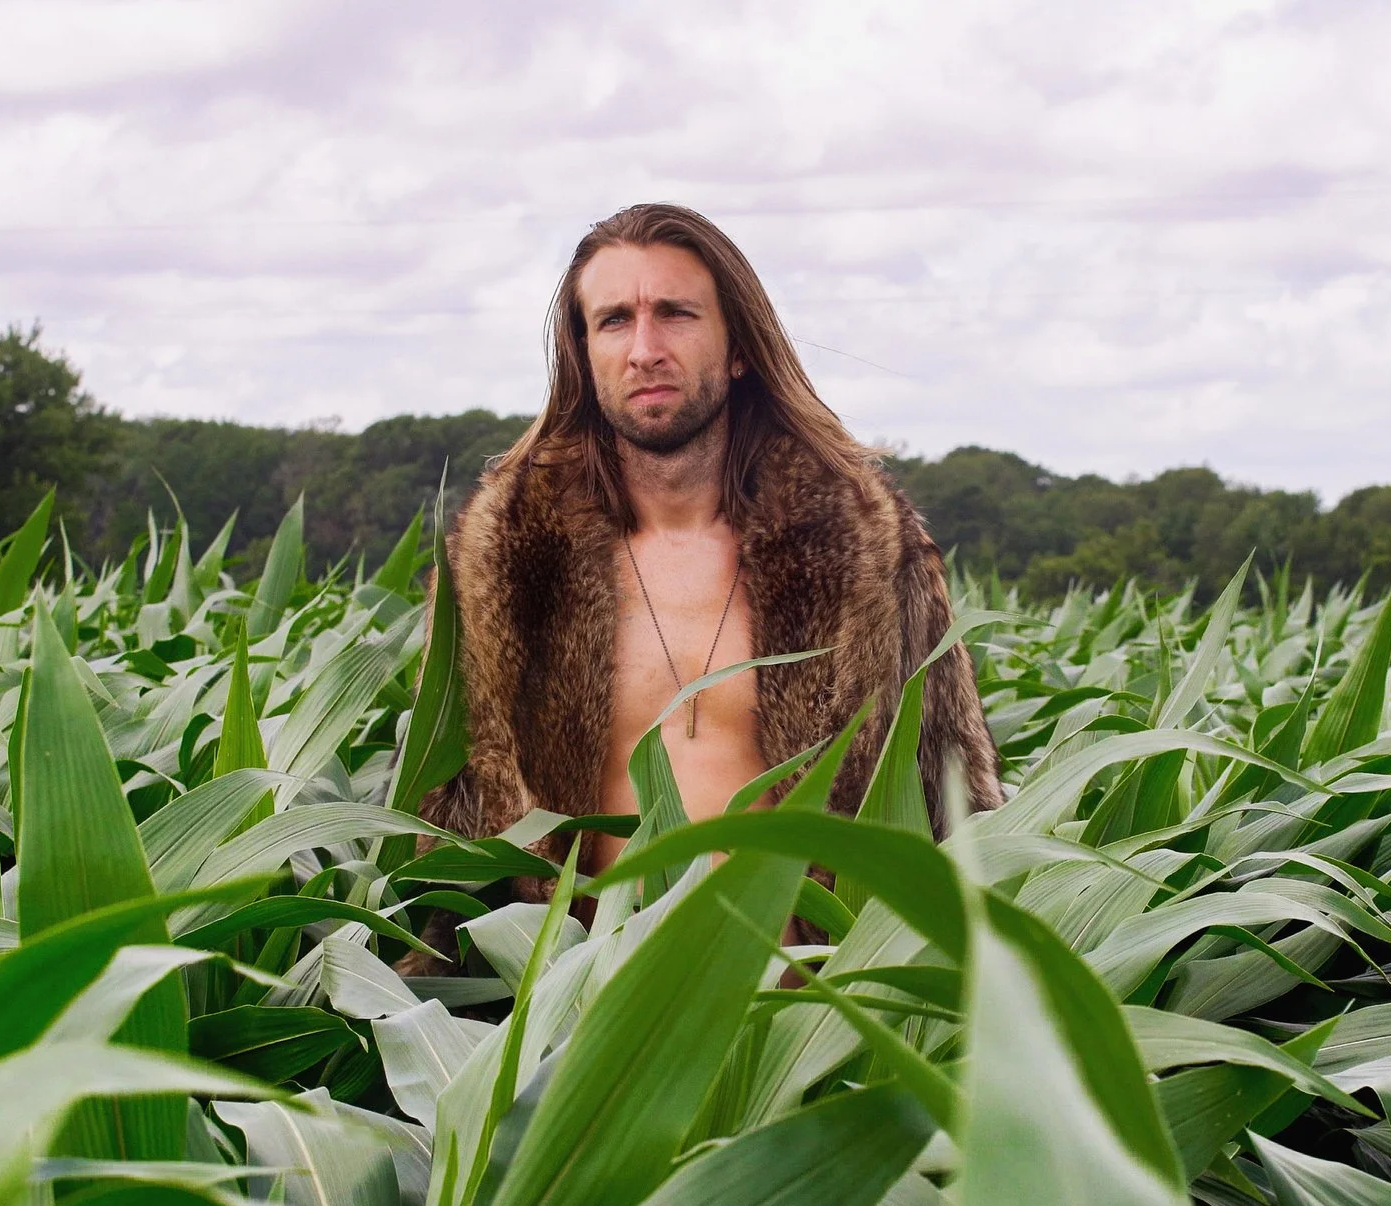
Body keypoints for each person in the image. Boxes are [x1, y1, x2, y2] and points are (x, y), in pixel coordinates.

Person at [420, 203, 1000, 880]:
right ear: (583, 353)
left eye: (676, 313)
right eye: (614, 320)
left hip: (811, 978)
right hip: (585, 977)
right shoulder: (505, 567)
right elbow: (445, 818)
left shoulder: (862, 550)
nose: (645, 350)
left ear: (739, 350)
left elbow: (956, 793)